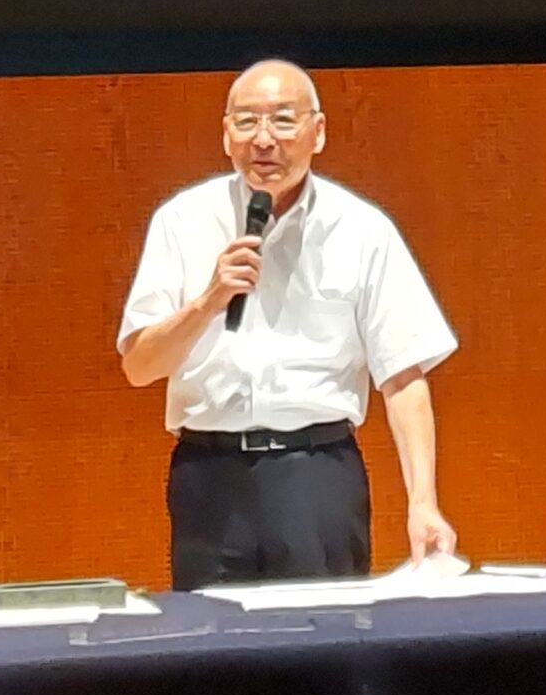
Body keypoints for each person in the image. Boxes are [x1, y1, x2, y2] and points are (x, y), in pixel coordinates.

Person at [118, 59, 458, 591]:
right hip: (209, 476)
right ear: (226, 134)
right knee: (211, 637)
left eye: (282, 120)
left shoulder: (361, 229)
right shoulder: (182, 221)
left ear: (317, 132)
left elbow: (403, 376)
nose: (263, 139)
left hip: (316, 473)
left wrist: (423, 502)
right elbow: (139, 367)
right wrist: (208, 301)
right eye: (247, 122)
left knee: (324, 634)